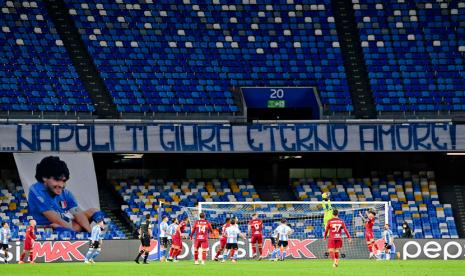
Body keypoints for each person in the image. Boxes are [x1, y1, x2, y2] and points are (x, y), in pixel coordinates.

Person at [28, 156, 103, 233]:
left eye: (63, 181)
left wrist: (89, 233)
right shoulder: (35, 191)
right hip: (47, 228)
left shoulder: (66, 193)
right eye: (57, 180)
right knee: (57, 226)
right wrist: (74, 230)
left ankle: (96, 232)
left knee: (93, 211)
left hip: (65, 224)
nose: (61, 185)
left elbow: (78, 214)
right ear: (44, 177)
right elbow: (56, 219)